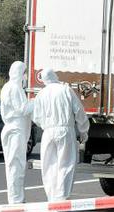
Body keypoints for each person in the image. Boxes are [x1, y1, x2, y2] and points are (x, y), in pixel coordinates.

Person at [32, 69, 89, 201]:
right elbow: (79, 111)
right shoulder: (65, 90)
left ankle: (52, 198)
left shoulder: (41, 94)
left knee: (49, 166)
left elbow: (36, 117)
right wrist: (83, 130)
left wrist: (46, 125)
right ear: (55, 76)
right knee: (66, 164)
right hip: (65, 130)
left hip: (48, 132)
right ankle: (62, 198)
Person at [0, 61, 33, 204]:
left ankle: (16, 197)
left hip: (13, 129)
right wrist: (37, 102)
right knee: (16, 165)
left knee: (14, 164)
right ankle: (16, 199)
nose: (26, 77)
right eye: (25, 73)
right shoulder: (14, 88)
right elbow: (22, 109)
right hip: (16, 129)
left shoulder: (8, 86)